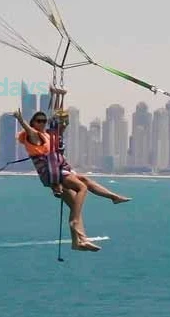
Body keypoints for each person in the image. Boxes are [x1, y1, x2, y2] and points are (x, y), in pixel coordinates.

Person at [15, 85, 130, 252]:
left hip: (58, 170)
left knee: (81, 191)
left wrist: (58, 96)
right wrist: (21, 120)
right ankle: (76, 221)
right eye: (38, 121)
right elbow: (31, 130)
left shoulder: (48, 135)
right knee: (82, 187)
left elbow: (57, 118)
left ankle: (78, 241)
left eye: (43, 121)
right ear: (33, 123)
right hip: (53, 173)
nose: (42, 123)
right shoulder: (33, 137)